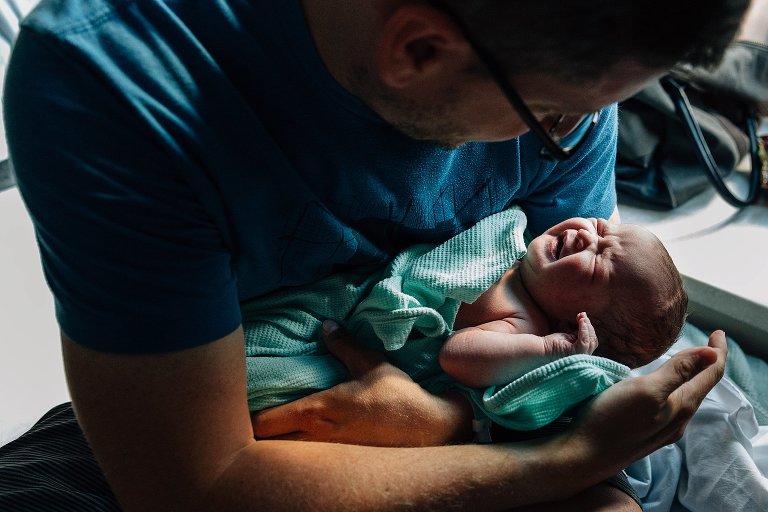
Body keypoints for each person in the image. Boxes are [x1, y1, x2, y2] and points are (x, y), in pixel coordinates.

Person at [0, 0, 746, 510]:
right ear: (418, 50)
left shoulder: (569, 38)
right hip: (240, 409)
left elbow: (562, 353)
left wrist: (449, 424)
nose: (576, 135)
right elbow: (198, 484)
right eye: (555, 119)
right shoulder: (121, 81)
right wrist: (556, 461)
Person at [441, 216, 687, 388]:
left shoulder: (524, 324)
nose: (584, 236)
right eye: (600, 229)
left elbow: (455, 356)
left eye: (596, 264)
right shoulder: (521, 248)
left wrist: (550, 350)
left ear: (572, 328)